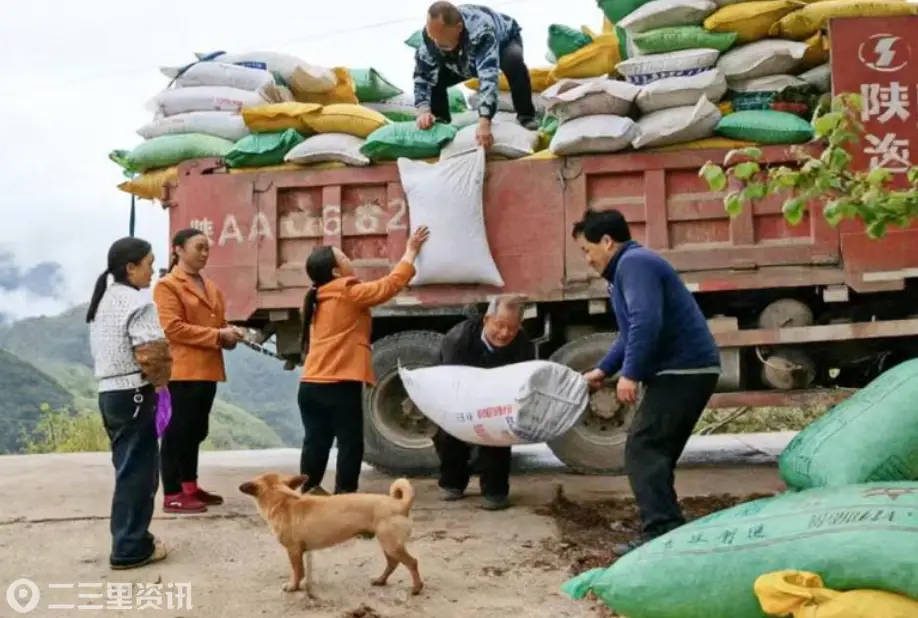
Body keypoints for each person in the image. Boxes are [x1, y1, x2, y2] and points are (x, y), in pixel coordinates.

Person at [571, 208, 721, 554]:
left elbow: (645, 322)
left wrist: (631, 374)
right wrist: (603, 370)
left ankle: (662, 531)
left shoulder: (634, 264)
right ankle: (667, 530)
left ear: (607, 241)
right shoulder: (628, 267)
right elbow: (629, 334)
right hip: (685, 370)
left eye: (587, 250)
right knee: (655, 453)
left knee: (643, 448)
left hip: (682, 370)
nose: (587, 259)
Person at [298, 226, 431, 495]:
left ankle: (308, 492)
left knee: (316, 442)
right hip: (338, 384)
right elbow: (389, 286)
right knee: (350, 443)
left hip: (310, 385)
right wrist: (410, 252)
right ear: (336, 272)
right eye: (343, 257)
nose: (349, 259)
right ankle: (345, 496)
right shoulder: (347, 291)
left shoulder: (317, 297)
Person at [87, 236, 172, 569]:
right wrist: (162, 385)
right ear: (131, 267)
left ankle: (131, 538)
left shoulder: (104, 300)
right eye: (149, 264)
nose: (152, 271)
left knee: (127, 470)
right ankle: (130, 546)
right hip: (135, 394)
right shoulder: (138, 302)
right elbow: (152, 353)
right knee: (139, 474)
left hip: (110, 394)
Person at [153, 228, 241, 514]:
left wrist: (229, 334)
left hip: (207, 370)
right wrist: (218, 336)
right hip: (182, 371)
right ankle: (172, 493)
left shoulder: (209, 286)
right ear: (178, 249)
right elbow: (172, 328)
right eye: (198, 248)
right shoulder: (167, 286)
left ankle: (189, 486)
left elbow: (217, 323)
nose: (205, 253)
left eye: (207, 248)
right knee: (177, 432)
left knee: (196, 431)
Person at [433, 296, 533, 511]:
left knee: (498, 432)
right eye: (499, 325)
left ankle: (494, 491)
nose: (504, 333)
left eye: (512, 328)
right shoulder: (458, 340)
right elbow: (449, 380)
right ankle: (452, 483)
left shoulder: (522, 343)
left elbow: (524, 380)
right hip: (459, 393)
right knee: (450, 432)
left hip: (498, 397)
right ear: (487, 319)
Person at [413, 1, 539, 149]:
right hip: (460, 58)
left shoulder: (481, 30)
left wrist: (484, 121)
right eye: (432, 36)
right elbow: (422, 76)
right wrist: (423, 111)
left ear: (458, 27)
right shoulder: (430, 39)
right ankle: (441, 124)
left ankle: (526, 116)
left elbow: (488, 78)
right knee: (436, 78)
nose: (435, 42)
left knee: (513, 61)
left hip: (503, 42)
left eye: (440, 38)